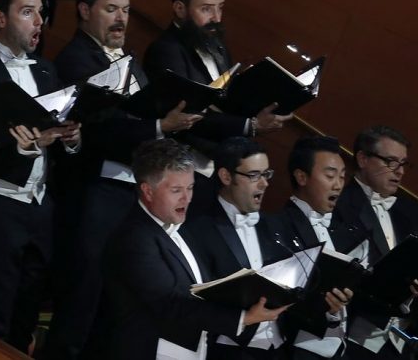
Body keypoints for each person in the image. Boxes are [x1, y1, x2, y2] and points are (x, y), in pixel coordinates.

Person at [45, 0, 202, 360]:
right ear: (84, 10)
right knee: (84, 298)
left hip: (131, 196)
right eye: (111, 9)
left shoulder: (131, 61)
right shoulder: (76, 58)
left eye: (127, 11)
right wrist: (157, 126)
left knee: (117, 306)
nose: (121, 19)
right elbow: (95, 129)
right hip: (96, 195)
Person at [100, 138, 288, 359]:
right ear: (147, 191)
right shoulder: (134, 238)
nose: (187, 198)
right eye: (176, 190)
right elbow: (170, 306)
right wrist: (243, 318)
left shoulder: (178, 228)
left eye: (190, 188)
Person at [0, 0, 80, 352]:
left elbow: (52, 132)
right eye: (27, 12)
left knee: (29, 307)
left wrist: (70, 139)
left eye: (40, 13)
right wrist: (24, 145)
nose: (39, 22)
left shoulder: (46, 70)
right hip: (1, 201)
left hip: (40, 205)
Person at [143, 0, 292, 214]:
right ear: (180, 9)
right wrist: (250, 125)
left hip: (217, 169)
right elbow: (189, 117)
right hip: (185, 173)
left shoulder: (217, 45)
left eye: (220, 8)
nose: (216, 18)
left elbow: (226, 101)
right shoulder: (166, 50)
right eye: (206, 9)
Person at [182, 137, 289, 358]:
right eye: (254, 175)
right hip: (229, 350)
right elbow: (193, 301)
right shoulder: (199, 230)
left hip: (278, 347)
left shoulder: (274, 226)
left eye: (266, 174)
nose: (264, 183)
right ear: (226, 176)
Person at [271, 136, 363, 359]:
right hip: (295, 349)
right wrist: (324, 307)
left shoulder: (345, 229)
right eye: (330, 176)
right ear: (301, 176)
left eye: (342, 177)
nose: (338, 184)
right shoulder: (278, 227)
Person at [333, 125, 418, 358]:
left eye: (403, 164)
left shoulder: (410, 212)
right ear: (362, 159)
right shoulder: (339, 204)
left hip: (400, 342)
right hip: (351, 336)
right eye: (390, 162)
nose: (399, 171)